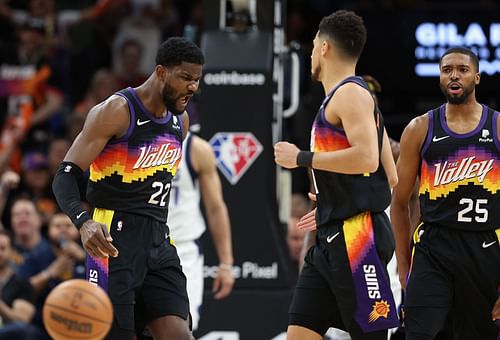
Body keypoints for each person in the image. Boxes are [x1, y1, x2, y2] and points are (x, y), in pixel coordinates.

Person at [52, 37, 204, 340]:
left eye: (197, 80)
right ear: (161, 72)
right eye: (185, 78)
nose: (192, 87)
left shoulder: (180, 122)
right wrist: (83, 222)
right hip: (112, 239)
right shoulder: (117, 111)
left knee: (179, 334)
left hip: (159, 239)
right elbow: (64, 176)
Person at [274, 10, 399, 340]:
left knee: (369, 334)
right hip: (332, 235)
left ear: (325, 47)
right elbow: (391, 175)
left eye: (314, 44)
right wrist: (334, 198)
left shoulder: (351, 94)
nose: (311, 52)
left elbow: (369, 159)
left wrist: (301, 158)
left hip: (358, 237)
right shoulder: (351, 97)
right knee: (299, 334)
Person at [390, 47, 500, 339]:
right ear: (439, 77)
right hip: (433, 247)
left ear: (476, 77)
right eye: (447, 69)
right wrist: (403, 264)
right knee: (418, 334)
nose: (454, 75)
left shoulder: (499, 126)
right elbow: (399, 203)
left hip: (485, 247)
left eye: (462, 69)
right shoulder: (420, 128)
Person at [168, 131, 234, 331]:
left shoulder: (196, 148)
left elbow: (215, 207)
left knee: (181, 328)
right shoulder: (133, 139)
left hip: (182, 248)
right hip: (140, 244)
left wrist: (226, 263)